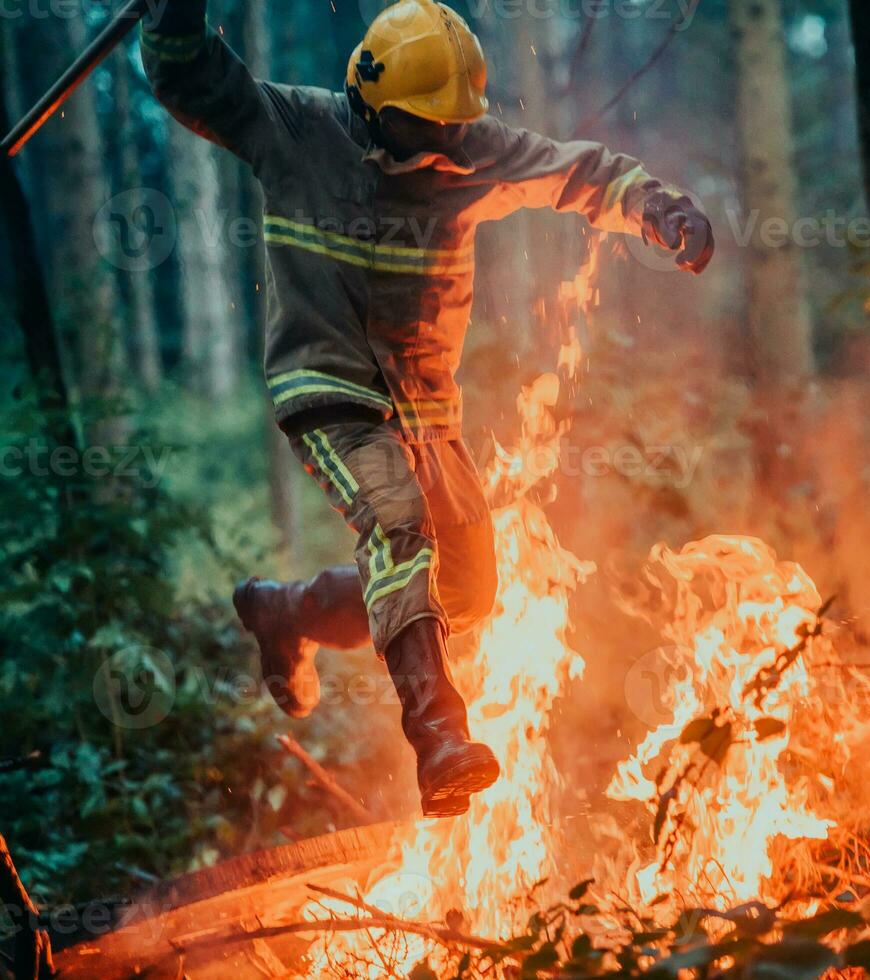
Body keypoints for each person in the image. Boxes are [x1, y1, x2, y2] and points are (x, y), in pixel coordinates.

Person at [143, 0, 713, 818]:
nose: (445, 148)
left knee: (469, 592)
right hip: (329, 389)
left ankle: (288, 611)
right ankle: (439, 735)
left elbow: (579, 172)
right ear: (370, 104)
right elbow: (187, 72)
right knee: (396, 523)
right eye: (424, 130)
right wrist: (174, 13)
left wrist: (660, 208)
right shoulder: (294, 128)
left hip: (426, 412)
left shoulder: (469, 148)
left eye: (455, 127)